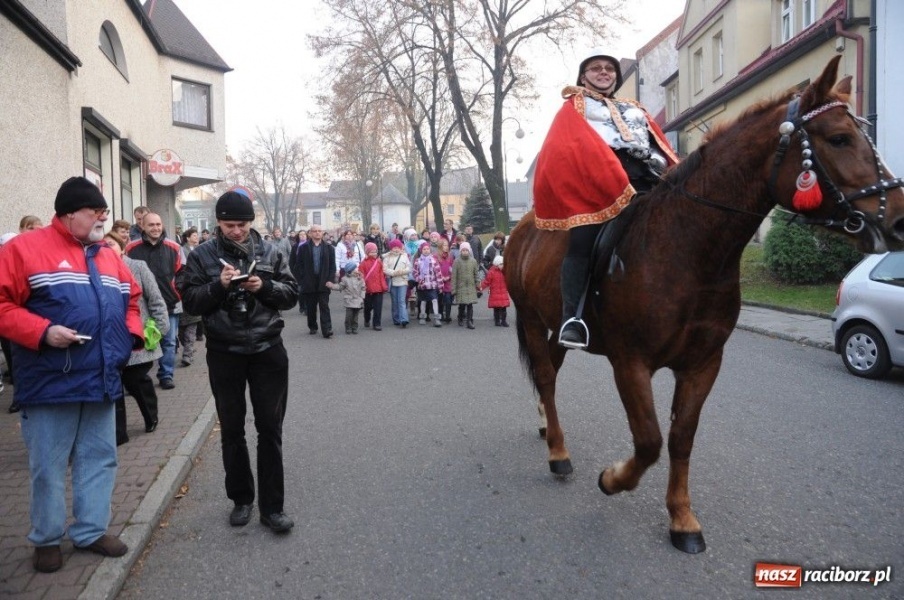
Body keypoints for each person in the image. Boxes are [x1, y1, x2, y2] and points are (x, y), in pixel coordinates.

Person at [0, 177, 143, 572]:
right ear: (67, 214)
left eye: (104, 212)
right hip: (50, 381)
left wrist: (128, 335)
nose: (103, 217)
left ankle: (90, 531)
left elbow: (131, 298)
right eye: (94, 211)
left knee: (100, 458)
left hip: (100, 377)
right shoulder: (24, 249)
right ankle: (46, 538)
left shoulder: (107, 254)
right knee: (48, 464)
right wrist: (42, 332)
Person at [533, 49, 678, 350]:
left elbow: (659, 144)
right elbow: (565, 148)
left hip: (650, 182)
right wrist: (610, 172)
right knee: (582, 241)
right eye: (595, 68)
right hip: (598, 188)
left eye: (609, 69)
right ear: (583, 76)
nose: (604, 72)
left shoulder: (635, 108)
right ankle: (572, 318)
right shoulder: (575, 106)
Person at [176, 190, 298, 533]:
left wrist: (265, 288)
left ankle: (273, 508)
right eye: (229, 225)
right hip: (224, 352)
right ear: (218, 222)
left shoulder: (271, 251)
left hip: (267, 349)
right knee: (231, 429)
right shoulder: (201, 256)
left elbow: (291, 295)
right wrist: (219, 286)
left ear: (251, 222)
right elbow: (190, 302)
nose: (236, 231)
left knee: (270, 429)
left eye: (242, 224)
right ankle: (241, 499)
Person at [103, 234, 169, 445]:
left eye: (111, 243)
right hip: (111, 340)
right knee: (114, 387)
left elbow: (155, 298)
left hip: (137, 338)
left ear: (122, 248)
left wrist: (159, 328)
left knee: (136, 381)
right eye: (102, 245)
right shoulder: (97, 268)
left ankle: (151, 416)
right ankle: (118, 433)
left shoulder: (137, 266)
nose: (106, 247)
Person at [125, 213, 183, 389]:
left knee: (169, 341)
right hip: (140, 305)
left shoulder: (174, 247)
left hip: (169, 303)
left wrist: (177, 293)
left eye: (158, 224)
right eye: (151, 225)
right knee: (141, 342)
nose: (156, 228)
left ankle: (166, 375)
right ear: (142, 226)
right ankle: (138, 378)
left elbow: (182, 274)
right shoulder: (131, 248)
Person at [296, 225, 337, 338]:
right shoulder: (304, 248)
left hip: (324, 281)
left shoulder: (329, 248)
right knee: (311, 307)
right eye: (315, 231)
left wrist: (330, 280)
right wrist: (302, 280)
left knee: (324, 306)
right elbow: (298, 265)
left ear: (323, 233)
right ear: (310, 233)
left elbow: (332, 266)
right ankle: (312, 326)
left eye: (319, 231)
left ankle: (327, 329)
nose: (317, 233)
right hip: (309, 281)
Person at [326, 262, 366, 334]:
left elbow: (363, 288)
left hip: (358, 300)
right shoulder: (345, 279)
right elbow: (340, 286)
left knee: (356, 316)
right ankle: (348, 327)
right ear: (351, 270)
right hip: (349, 300)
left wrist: (362, 297)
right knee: (349, 315)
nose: (357, 269)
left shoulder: (360, 278)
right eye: (355, 268)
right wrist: (332, 286)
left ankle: (354, 327)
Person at [412, 241, 443, 327]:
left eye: (427, 249)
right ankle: (422, 316)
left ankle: (437, 318)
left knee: (434, 300)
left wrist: (440, 286)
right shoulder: (417, 261)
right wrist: (419, 279)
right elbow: (414, 273)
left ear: (430, 250)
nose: (426, 251)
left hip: (432, 285)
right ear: (421, 250)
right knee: (423, 301)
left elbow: (438, 274)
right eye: (424, 249)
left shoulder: (433, 261)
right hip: (422, 285)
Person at [451, 242, 481, 329]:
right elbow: (454, 276)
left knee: (470, 305)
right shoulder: (457, 261)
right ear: (460, 251)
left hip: (471, 287)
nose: (465, 252)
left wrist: (478, 285)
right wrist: (453, 289)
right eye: (463, 250)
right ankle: (460, 318)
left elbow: (476, 274)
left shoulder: (473, 261)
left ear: (469, 251)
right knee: (462, 305)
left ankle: (469, 321)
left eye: (466, 250)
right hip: (461, 287)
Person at [383, 239, 411, 327]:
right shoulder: (387, 257)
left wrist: (401, 271)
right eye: (394, 247)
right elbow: (385, 269)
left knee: (402, 301)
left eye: (398, 247)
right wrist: (394, 272)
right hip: (393, 282)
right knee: (395, 301)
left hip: (402, 281)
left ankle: (404, 319)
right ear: (391, 248)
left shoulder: (404, 256)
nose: (396, 249)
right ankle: (396, 318)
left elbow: (409, 268)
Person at [359, 242, 387, 330]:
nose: (374, 253)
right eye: (372, 252)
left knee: (378, 308)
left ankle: (377, 323)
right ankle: (367, 318)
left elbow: (382, 275)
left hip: (378, 289)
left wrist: (383, 286)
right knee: (368, 307)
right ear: (367, 252)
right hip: (368, 289)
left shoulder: (379, 262)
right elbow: (361, 276)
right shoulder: (363, 263)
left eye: (375, 251)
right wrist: (363, 287)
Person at [480, 255, 511, 327]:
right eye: (501, 264)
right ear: (497, 264)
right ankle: (497, 321)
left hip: (503, 293)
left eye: (503, 264)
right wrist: (480, 288)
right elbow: (486, 282)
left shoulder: (505, 272)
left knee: (504, 309)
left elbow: (509, 281)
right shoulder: (491, 272)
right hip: (495, 293)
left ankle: (504, 321)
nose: (502, 266)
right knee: (496, 309)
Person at [435, 238, 454, 323]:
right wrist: (440, 277)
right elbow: (434, 269)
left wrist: (449, 277)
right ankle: (440, 314)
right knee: (440, 300)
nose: (446, 247)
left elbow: (452, 268)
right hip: (439, 281)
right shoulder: (435, 256)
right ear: (440, 246)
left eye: (447, 245)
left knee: (448, 300)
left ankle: (448, 316)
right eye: (444, 245)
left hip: (448, 282)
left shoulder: (450, 257)